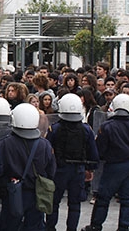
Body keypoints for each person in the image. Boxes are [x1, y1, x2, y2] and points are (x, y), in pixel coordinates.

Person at [82, 94, 129, 231]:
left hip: (113, 164)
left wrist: (96, 163)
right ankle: (124, 226)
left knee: (103, 198)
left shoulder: (107, 126)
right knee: (127, 199)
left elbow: (100, 148)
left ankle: (96, 225)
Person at [0, 103, 56, 231]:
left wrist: (3, 187)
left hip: (13, 192)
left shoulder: (6, 143)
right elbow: (51, 170)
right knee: (34, 225)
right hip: (37, 192)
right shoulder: (45, 144)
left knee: (9, 225)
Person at [45, 93, 99, 231]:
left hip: (59, 170)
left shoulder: (54, 128)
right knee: (75, 204)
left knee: (54, 202)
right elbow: (92, 151)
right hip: (78, 169)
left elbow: (47, 150)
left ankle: (50, 227)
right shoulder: (86, 129)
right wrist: (90, 168)